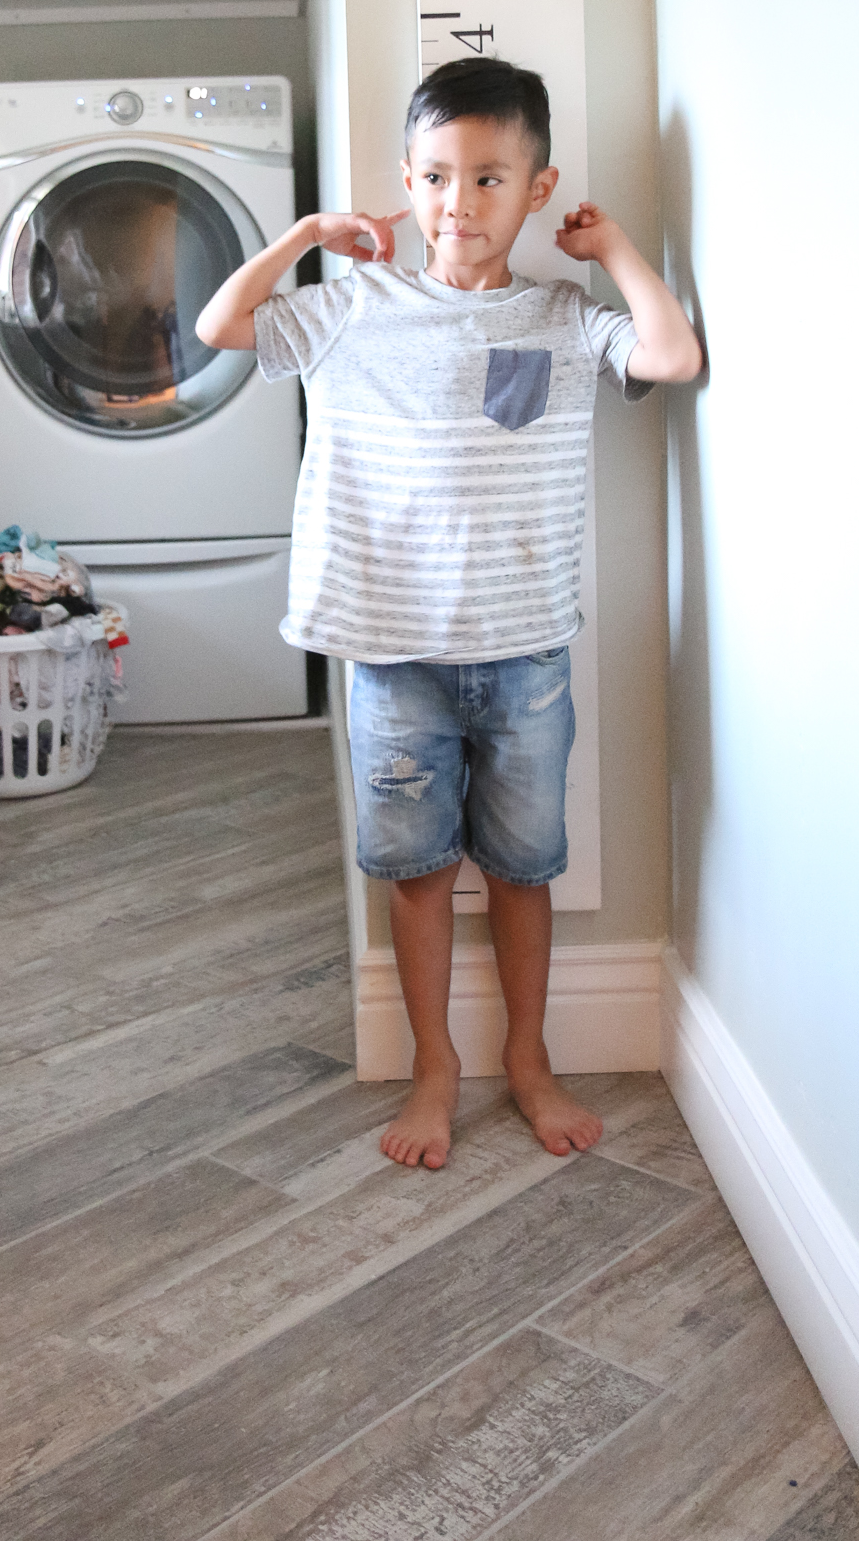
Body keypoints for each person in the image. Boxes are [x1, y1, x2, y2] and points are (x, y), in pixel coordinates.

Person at [195, 57, 701, 1170]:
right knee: (417, 873)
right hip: (392, 658)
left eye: (485, 180)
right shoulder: (348, 309)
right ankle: (437, 1064)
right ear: (406, 185)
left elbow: (670, 354)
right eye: (433, 177)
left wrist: (612, 248)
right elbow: (221, 326)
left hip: (525, 655)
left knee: (525, 870)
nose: (455, 205)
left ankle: (528, 1058)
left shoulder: (563, 320)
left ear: (534, 189)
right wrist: (302, 240)